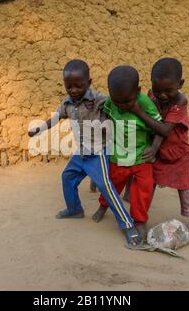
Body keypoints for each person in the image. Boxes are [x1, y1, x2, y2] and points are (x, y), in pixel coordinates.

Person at [28, 59, 143, 248]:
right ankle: (74, 210)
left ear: (89, 82)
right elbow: (55, 118)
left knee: (106, 188)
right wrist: (39, 129)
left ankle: (128, 225)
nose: (73, 90)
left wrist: (110, 121)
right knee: (67, 177)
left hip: (98, 153)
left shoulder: (97, 99)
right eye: (69, 86)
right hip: (81, 153)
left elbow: (116, 103)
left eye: (78, 86)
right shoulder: (67, 103)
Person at [127, 58, 189, 238]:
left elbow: (163, 129)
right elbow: (151, 121)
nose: (162, 95)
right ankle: (140, 220)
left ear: (181, 84)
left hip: (177, 152)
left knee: (185, 188)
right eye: (157, 89)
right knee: (148, 184)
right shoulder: (151, 95)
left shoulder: (180, 101)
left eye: (168, 90)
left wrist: (138, 111)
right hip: (157, 151)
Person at [92, 65, 163, 239]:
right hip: (119, 156)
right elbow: (104, 113)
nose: (122, 106)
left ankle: (139, 221)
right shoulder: (111, 101)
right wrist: (103, 124)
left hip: (141, 157)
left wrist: (154, 148)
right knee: (112, 185)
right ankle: (103, 205)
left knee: (143, 189)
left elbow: (160, 128)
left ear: (137, 91)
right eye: (118, 102)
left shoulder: (145, 103)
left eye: (127, 102)